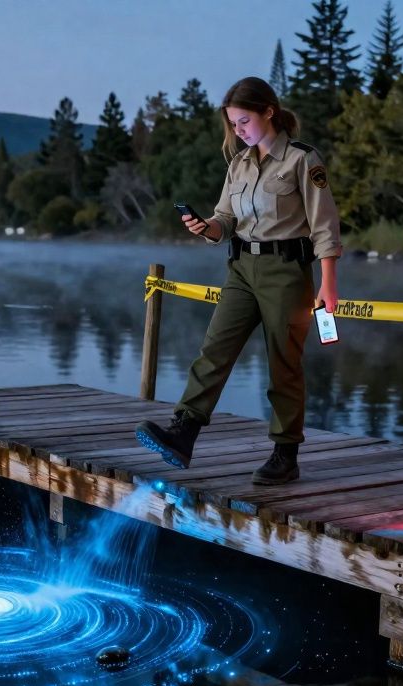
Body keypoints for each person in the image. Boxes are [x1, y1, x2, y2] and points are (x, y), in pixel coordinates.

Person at [135, 76, 341, 486]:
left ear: (269, 111)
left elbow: (325, 227)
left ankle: (285, 453)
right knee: (215, 347)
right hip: (241, 269)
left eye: (243, 121)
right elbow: (226, 221)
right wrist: (205, 227)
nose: (238, 131)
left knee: (284, 364)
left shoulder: (302, 159)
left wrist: (328, 283)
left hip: (286, 271)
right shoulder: (239, 164)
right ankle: (184, 432)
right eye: (233, 124)